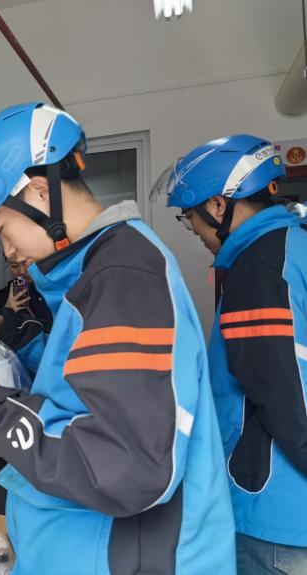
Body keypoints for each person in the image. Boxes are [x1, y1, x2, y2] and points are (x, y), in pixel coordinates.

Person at [0, 102, 235, 574]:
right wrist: (11, 331)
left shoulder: (122, 275)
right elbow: (83, 383)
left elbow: (126, 467)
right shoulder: (97, 269)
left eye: (1, 228)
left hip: (120, 556)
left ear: (39, 193)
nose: (7, 248)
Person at [155, 134, 307, 574]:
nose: (198, 233)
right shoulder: (294, 247)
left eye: (192, 220)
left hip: (273, 510)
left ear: (218, 206)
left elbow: (281, 390)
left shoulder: (258, 268)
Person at [0, 256, 52, 322]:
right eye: (14, 266)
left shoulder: (53, 290)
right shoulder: (1, 297)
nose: (22, 271)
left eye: (27, 265)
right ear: (8, 266)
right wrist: (7, 310)